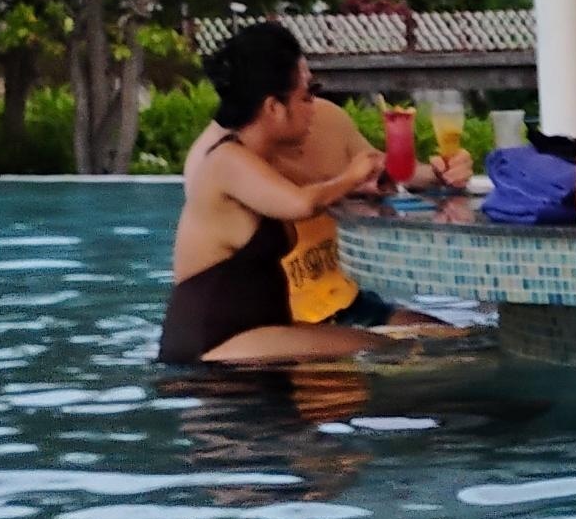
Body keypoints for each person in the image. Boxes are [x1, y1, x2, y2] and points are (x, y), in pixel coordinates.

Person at [159, 23, 405, 366]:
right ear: (274, 107)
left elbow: (314, 190)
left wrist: (362, 183)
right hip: (212, 343)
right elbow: (301, 203)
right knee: (383, 349)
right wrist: (352, 175)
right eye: (306, 96)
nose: (314, 107)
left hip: (251, 333)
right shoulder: (225, 162)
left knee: (395, 344)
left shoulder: (261, 162)